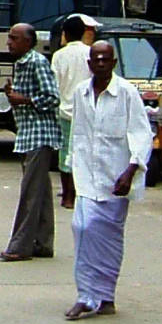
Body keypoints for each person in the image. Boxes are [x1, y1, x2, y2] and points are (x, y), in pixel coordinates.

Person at [62, 41, 154, 319]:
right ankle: (86, 296)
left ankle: (106, 296)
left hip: (116, 179)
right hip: (87, 176)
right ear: (89, 64)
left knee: (108, 238)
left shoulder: (126, 93)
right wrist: (69, 170)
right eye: (96, 59)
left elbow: (141, 133)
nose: (100, 63)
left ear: (114, 63)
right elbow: (77, 134)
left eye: (106, 59)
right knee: (82, 227)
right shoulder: (80, 92)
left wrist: (131, 170)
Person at [0, 23, 61, 262]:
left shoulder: (37, 62)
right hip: (28, 133)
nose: (9, 42)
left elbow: (52, 97)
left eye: (14, 38)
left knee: (30, 193)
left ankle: (20, 245)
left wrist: (23, 99)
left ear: (28, 42)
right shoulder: (21, 64)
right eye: (9, 38)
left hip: (39, 134)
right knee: (41, 191)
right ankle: (43, 242)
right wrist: (14, 95)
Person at [51, 16, 95, 205]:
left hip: (64, 110)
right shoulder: (90, 53)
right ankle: (79, 191)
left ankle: (67, 195)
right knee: (83, 152)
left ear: (65, 34)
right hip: (87, 111)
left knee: (65, 153)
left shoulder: (59, 56)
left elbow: (54, 84)